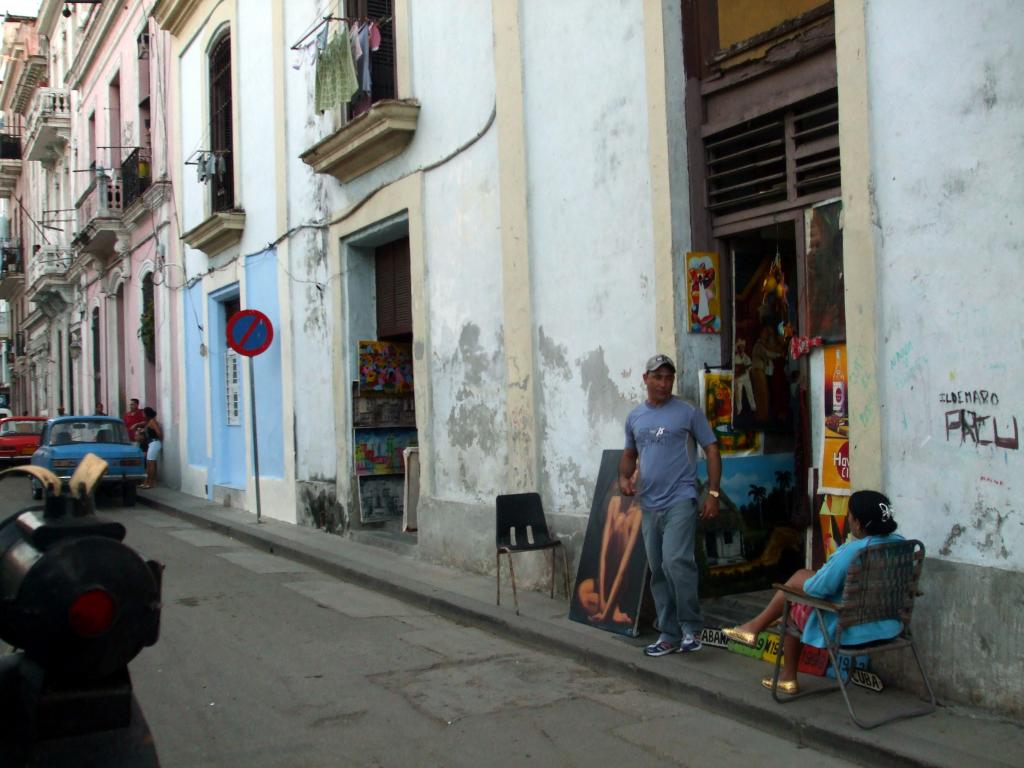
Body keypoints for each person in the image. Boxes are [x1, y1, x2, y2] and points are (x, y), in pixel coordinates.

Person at [723, 490, 903, 694]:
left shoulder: (854, 551)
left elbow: (817, 589)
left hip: (850, 629)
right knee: (799, 583)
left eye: (850, 515)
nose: (848, 518)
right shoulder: (900, 545)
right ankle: (755, 627)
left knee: (793, 603)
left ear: (858, 523)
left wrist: (806, 579)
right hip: (887, 625)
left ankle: (786, 675)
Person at [619, 353, 722, 656]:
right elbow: (629, 454)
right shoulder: (635, 417)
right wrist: (625, 478)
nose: (664, 383)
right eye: (658, 377)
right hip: (649, 503)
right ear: (645, 379)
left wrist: (713, 494)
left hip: (681, 498)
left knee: (676, 561)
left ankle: (691, 627)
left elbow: (712, 449)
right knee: (658, 569)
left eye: (668, 377)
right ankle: (668, 634)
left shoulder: (687, 412)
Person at [575, 484, 644, 626]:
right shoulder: (614, 502)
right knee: (582, 593)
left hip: (619, 580)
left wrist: (605, 613)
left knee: (620, 522)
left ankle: (613, 608)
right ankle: (614, 611)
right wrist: (602, 602)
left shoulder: (638, 513)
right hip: (603, 579)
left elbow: (622, 569)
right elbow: (603, 555)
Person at [139, 407, 163, 489]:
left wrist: (159, 439)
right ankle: (148, 481)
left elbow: (158, 432)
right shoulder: (149, 422)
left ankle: (150, 482)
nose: (143, 415)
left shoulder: (152, 421)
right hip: (151, 443)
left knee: (150, 464)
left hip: (154, 443)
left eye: (144, 413)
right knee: (149, 463)